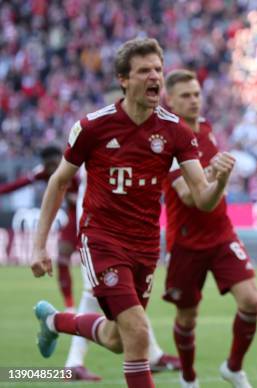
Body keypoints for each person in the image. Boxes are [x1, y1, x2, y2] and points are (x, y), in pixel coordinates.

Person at [30, 38, 235, 388]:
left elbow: (202, 198)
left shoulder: (175, 132)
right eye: (145, 71)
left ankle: (54, 322)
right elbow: (58, 182)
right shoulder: (93, 126)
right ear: (124, 79)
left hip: (144, 247)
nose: (155, 76)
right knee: (138, 332)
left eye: (158, 69)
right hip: (102, 239)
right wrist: (39, 246)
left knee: (116, 338)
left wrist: (220, 180)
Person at [161, 69, 257, 388]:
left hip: (221, 233)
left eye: (197, 94)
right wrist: (219, 177)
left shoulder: (205, 128)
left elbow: (211, 190)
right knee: (187, 317)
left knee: (251, 301)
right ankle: (188, 378)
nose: (194, 100)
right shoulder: (166, 142)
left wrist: (220, 178)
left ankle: (233, 367)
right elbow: (192, 197)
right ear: (170, 100)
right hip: (187, 242)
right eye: (186, 96)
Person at [62, 168, 180, 382]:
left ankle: (153, 355)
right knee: (95, 294)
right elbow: (60, 177)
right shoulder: (95, 137)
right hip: (99, 232)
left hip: (130, 233)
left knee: (121, 325)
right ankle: (72, 360)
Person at [0, 145, 77, 313]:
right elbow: (17, 185)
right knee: (62, 257)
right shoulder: (43, 174)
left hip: (94, 216)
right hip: (73, 219)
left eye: (53, 164)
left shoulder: (77, 169)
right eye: (47, 165)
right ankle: (70, 307)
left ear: (61, 160)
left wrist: (79, 199)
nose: (51, 169)